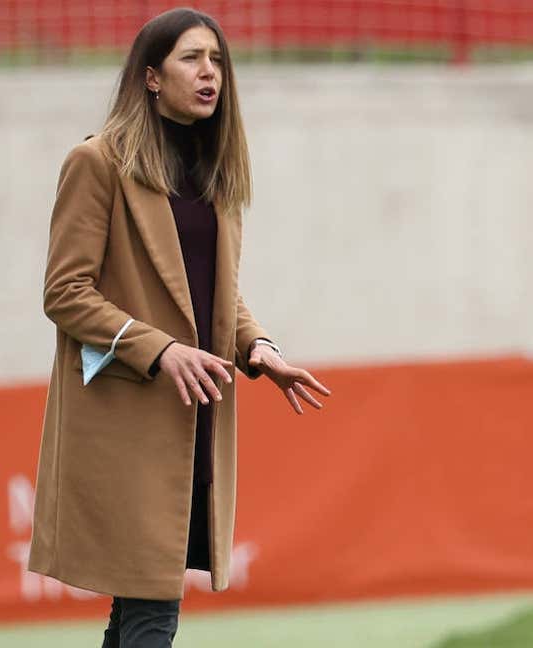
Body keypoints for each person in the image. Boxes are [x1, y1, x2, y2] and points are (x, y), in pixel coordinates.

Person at [26, 8, 331, 647]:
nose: (210, 73)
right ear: (152, 77)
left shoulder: (215, 172)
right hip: (127, 418)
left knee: (142, 604)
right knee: (154, 604)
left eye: (217, 60)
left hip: (196, 418)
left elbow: (210, 290)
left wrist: (257, 347)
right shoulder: (97, 162)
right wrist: (160, 350)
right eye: (193, 58)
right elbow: (65, 292)